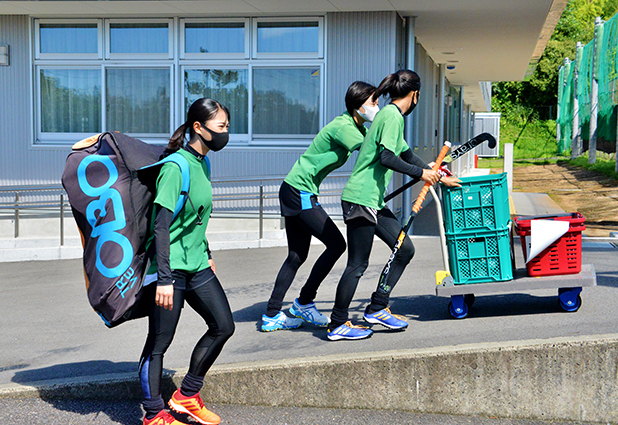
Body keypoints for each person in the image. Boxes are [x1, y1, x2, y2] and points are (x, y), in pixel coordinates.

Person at [327, 70, 461, 341]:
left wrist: (440, 174)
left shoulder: (390, 116)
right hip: (361, 199)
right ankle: (337, 324)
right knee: (357, 264)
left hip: (372, 201)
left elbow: (406, 154)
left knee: (404, 249)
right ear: (415, 94)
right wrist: (422, 174)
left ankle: (377, 306)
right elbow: (387, 157)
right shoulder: (391, 116)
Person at [139, 98, 235, 425]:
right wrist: (163, 278)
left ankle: (188, 395)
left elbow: (197, 217)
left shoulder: (204, 164)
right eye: (221, 127)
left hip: (197, 265)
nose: (225, 133)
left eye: (226, 126)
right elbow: (161, 226)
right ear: (199, 127)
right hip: (172, 269)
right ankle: (153, 415)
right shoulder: (175, 167)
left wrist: (206, 254)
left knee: (223, 326)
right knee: (159, 344)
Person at [261, 81, 379, 332]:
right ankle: (303, 302)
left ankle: (274, 313)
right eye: (373, 102)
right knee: (337, 244)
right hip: (299, 191)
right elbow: (374, 149)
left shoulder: (352, 126)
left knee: (296, 255)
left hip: (296, 188)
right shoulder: (345, 127)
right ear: (358, 106)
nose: (377, 107)